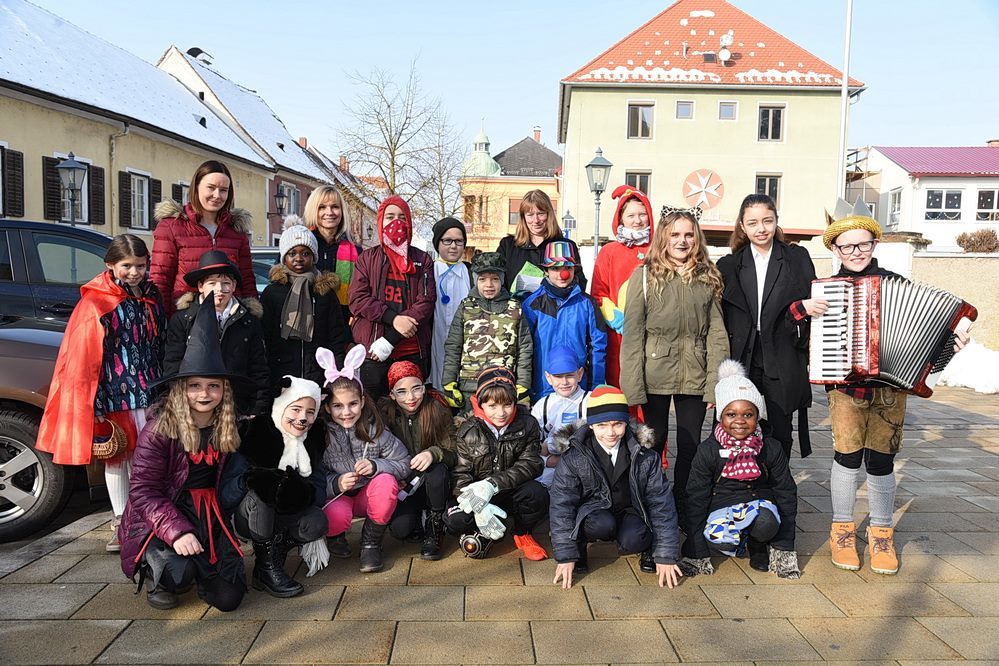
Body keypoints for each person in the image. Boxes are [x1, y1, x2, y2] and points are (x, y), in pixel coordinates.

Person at [815, 199, 969, 575]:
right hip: (846, 389)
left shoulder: (896, 285)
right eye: (847, 246)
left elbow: (928, 335)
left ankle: (881, 533)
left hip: (891, 390)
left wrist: (952, 343)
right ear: (835, 249)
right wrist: (804, 312)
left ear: (874, 244)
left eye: (863, 244)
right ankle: (842, 531)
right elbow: (801, 331)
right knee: (847, 456)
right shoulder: (828, 291)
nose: (856, 252)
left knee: (882, 460)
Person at [36, 234, 165, 552]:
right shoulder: (96, 302)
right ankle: (121, 520)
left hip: (150, 389)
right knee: (118, 457)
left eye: (140, 265)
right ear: (110, 265)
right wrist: (91, 401)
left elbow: (159, 342)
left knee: (147, 457)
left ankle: (146, 516)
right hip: (115, 391)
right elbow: (82, 356)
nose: (134, 272)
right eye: (126, 266)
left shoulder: (151, 296)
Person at [118, 301, 246, 611]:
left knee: (229, 599)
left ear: (224, 391)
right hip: (168, 510)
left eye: (213, 386)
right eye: (195, 386)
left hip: (210, 514)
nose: (204, 394)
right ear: (180, 389)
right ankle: (158, 575)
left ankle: (202, 569)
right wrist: (177, 533)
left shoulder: (228, 426)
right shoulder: (159, 430)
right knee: (179, 572)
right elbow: (143, 492)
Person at [620, 207, 728, 520]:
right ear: (663, 238)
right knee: (653, 444)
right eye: (675, 235)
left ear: (697, 238)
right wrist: (633, 387)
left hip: (695, 372)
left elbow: (717, 335)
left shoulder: (707, 277)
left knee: (691, 445)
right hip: (654, 373)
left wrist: (715, 383)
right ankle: (651, 503)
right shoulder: (644, 276)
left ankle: (684, 504)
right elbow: (633, 334)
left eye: (688, 235)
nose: (682, 241)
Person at [716, 194, 821, 459]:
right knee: (741, 427)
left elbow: (810, 300)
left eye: (767, 221)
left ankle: (778, 478)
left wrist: (804, 309)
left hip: (783, 354)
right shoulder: (729, 265)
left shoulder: (796, 257)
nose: (761, 229)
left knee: (781, 429)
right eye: (752, 223)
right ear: (742, 225)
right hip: (743, 356)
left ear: (776, 220)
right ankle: (745, 477)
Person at [549, 385, 683, 589]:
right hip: (594, 512)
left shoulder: (646, 455)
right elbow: (562, 504)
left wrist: (665, 554)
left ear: (626, 423)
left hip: (631, 509)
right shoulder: (574, 455)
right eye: (602, 425)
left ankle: (648, 548)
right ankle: (579, 545)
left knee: (634, 539)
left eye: (617, 424)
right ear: (591, 425)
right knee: (601, 524)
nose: (610, 432)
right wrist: (566, 555)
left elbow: (661, 502)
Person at [679, 360, 800, 579]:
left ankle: (757, 544)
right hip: (720, 505)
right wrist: (695, 551)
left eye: (748, 414)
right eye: (731, 414)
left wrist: (784, 547)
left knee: (766, 523)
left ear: (757, 416)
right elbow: (695, 497)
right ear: (721, 416)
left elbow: (786, 492)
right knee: (719, 539)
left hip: (758, 502)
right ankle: (736, 540)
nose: (740, 421)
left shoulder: (770, 448)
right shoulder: (708, 450)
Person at [222, 376, 329, 597]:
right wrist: (249, 480)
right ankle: (266, 566)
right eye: (296, 409)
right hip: (249, 516)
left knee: (316, 522)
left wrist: (295, 489)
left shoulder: (312, 440)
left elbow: (318, 492)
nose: (303, 418)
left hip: (286, 513)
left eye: (310, 412)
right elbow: (225, 495)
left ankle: (275, 549)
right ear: (282, 407)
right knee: (263, 493)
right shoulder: (256, 434)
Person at [318, 345, 411, 573]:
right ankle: (335, 537)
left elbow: (404, 463)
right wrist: (336, 483)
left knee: (386, 481)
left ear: (361, 401)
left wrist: (376, 466)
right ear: (327, 408)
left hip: (367, 495)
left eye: (352, 404)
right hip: (338, 497)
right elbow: (313, 477)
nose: (346, 412)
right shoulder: (321, 435)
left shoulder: (374, 429)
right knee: (335, 516)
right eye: (337, 406)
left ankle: (371, 541)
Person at [447, 367, 549, 561]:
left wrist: (493, 484)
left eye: (507, 404)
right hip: (477, 493)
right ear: (480, 404)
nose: (501, 413)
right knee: (455, 521)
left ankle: (522, 532)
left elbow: (531, 463)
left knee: (537, 494)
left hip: (509, 490)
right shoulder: (468, 430)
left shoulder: (528, 424)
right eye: (492, 406)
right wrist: (478, 505)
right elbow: (460, 474)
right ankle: (481, 528)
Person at [348, 196, 436, 398]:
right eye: (390, 217)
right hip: (374, 350)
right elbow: (357, 298)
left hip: (411, 349)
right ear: (380, 222)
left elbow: (425, 302)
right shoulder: (367, 258)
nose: (396, 223)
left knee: (409, 405)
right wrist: (393, 319)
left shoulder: (422, 259)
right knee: (375, 406)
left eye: (402, 217)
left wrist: (391, 338)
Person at [164, 250, 270, 416]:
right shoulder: (183, 320)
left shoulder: (248, 321)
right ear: (200, 287)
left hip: (237, 405)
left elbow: (258, 368)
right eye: (212, 283)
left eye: (226, 283)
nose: (220, 289)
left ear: (233, 286)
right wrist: (180, 403)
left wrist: (258, 408)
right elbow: (173, 365)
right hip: (195, 404)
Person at [151, 160, 257, 316]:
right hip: (186, 318)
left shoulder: (237, 230)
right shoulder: (172, 226)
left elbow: (246, 279)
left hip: (231, 318)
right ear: (196, 187)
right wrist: (162, 319)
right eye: (211, 188)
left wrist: (252, 315)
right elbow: (161, 279)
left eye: (223, 190)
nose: (217, 195)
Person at [378, 361, 459, 560]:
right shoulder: (384, 414)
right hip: (405, 485)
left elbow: (454, 450)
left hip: (435, 484)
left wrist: (433, 453)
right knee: (401, 530)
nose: (411, 397)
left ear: (424, 387)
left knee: (437, 469)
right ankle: (417, 517)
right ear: (392, 394)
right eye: (402, 392)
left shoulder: (437, 408)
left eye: (416, 388)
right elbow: (376, 453)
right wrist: (394, 475)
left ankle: (435, 523)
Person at [441, 251, 533, 411]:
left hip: (504, 385)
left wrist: (523, 385)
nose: (489, 285)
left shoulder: (515, 308)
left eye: (495, 279)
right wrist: (449, 382)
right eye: (482, 279)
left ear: (502, 280)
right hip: (470, 386)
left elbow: (525, 349)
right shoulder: (466, 307)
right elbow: (453, 346)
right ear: (475, 280)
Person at [260, 217, 346, 386]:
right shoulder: (272, 292)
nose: (298, 258)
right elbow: (265, 335)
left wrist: (337, 370)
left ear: (313, 257)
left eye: (305, 253)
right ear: (284, 257)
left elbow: (336, 334)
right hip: (281, 372)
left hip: (316, 371)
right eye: (292, 253)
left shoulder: (324, 293)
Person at [522, 240, 607, 400]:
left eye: (568, 268)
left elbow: (598, 346)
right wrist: (526, 388)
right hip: (543, 388)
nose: (563, 274)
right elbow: (524, 349)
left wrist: (596, 387)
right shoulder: (532, 304)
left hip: (578, 388)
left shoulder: (587, 303)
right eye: (555, 268)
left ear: (574, 269)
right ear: (546, 271)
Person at [591, 185, 656, 389]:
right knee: (623, 389)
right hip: (620, 336)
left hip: (655, 334)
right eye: (631, 215)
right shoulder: (609, 251)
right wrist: (620, 322)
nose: (638, 220)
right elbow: (598, 293)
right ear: (621, 218)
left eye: (642, 214)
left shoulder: (659, 249)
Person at [495, 189, 585, 296]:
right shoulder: (508, 245)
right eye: (530, 215)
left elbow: (579, 282)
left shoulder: (566, 246)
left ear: (549, 214)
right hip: (516, 305)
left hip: (555, 306)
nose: (536, 220)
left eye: (541, 214)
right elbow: (496, 280)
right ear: (523, 217)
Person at [530, 345, 591, 488]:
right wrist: (547, 461)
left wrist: (549, 445)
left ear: (580, 374)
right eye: (558, 376)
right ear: (548, 378)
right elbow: (531, 447)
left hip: (584, 471)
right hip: (548, 474)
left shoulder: (591, 401)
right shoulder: (542, 406)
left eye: (569, 375)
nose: (564, 382)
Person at [304, 185, 361, 330]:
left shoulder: (356, 251)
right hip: (306, 326)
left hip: (341, 326)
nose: (329, 212)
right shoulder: (300, 246)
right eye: (322, 207)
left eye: (335, 207)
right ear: (313, 210)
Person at [429, 217, 471, 390]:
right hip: (434, 339)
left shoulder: (470, 273)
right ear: (438, 243)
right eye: (447, 240)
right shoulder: (428, 271)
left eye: (459, 241)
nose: (453, 246)